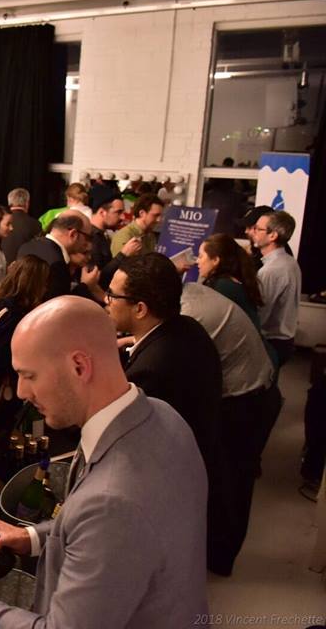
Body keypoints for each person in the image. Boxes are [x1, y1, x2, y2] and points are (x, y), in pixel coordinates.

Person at [0, 296, 208, 628]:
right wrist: (33, 538)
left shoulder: (111, 504)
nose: (21, 391)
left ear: (79, 366)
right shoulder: (164, 416)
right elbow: (117, 532)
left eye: (29, 375)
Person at [180, 281, 279, 576]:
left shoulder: (190, 315)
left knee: (232, 483)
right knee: (229, 482)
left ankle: (219, 560)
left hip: (246, 402)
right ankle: (217, 556)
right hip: (253, 392)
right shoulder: (192, 293)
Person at [108, 253, 223, 464]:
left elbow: (120, 437)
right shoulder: (187, 326)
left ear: (140, 309)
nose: (107, 302)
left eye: (113, 296)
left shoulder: (151, 370)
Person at [0, 255, 51, 430]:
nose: (46, 287)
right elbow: (3, 356)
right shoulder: (13, 313)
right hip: (5, 385)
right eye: (43, 282)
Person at [253, 210, 302, 367]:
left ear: (272, 235)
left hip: (272, 343)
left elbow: (261, 313)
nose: (253, 231)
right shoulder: (289, 261)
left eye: (257, 228)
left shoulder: (271, 270)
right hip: (284, 341)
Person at [18, 210, 96, 301]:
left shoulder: (26, 246)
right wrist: (85, 286)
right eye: (88, 237)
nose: (88, 244)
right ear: (73, 234)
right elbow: (59, 308)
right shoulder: (57, 264)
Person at [197, 232, 263, 329]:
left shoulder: (222, 287)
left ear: (215, 260)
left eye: (201, 256)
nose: (197, 261)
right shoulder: (232, 282)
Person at [90, 191, 141, 289]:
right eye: (118, 212)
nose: (122, 217)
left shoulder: (102, 235)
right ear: (102, 212)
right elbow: (97, 277)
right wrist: (124, 254)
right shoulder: (91, 237)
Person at [0, 187, 41, 263]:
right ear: (27, 203)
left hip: (0, 267)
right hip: (22, 269)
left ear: (9, 203)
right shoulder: (35, 224)